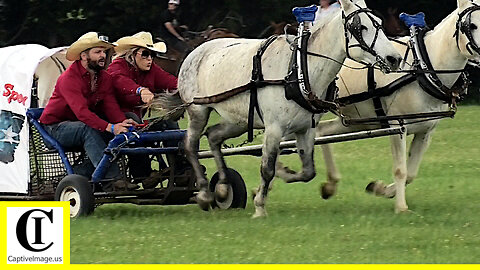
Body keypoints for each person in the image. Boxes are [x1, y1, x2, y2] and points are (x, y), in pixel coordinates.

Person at [39, 32, 138, 190]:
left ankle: (142, 174)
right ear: (84, 56)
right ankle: (112, 180)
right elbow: (82, 113)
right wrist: (111, 127)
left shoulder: (104, 77)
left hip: (81, 123)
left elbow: (110, 104)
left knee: (128, 119)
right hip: (55, 128)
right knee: (88, 129)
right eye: (97, 52)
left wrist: (120, 122)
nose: (103, 56)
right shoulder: (68, 78)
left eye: (104, 52)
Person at [107, 31, 186, 188]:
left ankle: (181, 170)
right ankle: (143, 174)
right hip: (115, 117)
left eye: (152, 55)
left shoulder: (152, 70)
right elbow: (118, 80)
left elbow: (172, 82)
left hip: (139, 120)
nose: (149, 58)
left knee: (169, 122)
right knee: (133, 121)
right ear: (133, 54)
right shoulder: (117, 66)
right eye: (145, 54)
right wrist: (139, 90)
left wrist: (191, 88)